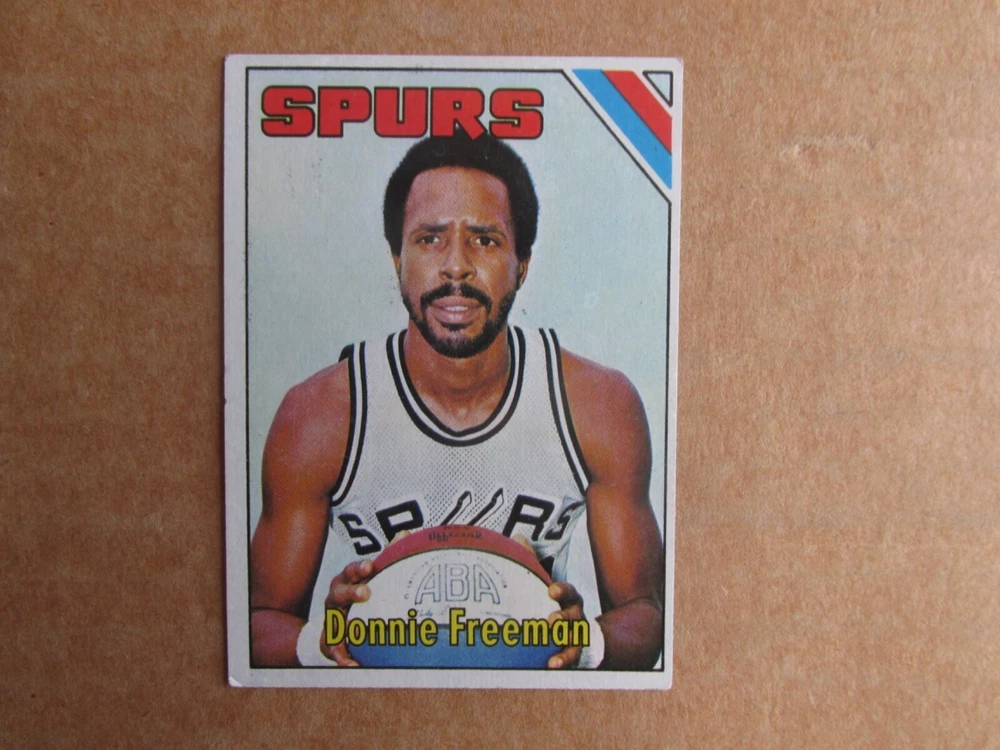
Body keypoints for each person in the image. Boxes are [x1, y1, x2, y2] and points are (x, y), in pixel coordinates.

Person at [249, 133, 663, 670]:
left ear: (522, 264)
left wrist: (586, 640)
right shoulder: (321, 414)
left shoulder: (596, 404)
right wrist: (320, 641)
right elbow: (256, 621)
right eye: (429, 239)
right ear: (397, 258)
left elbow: (645, 615)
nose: (455, 267)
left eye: (485, 240)